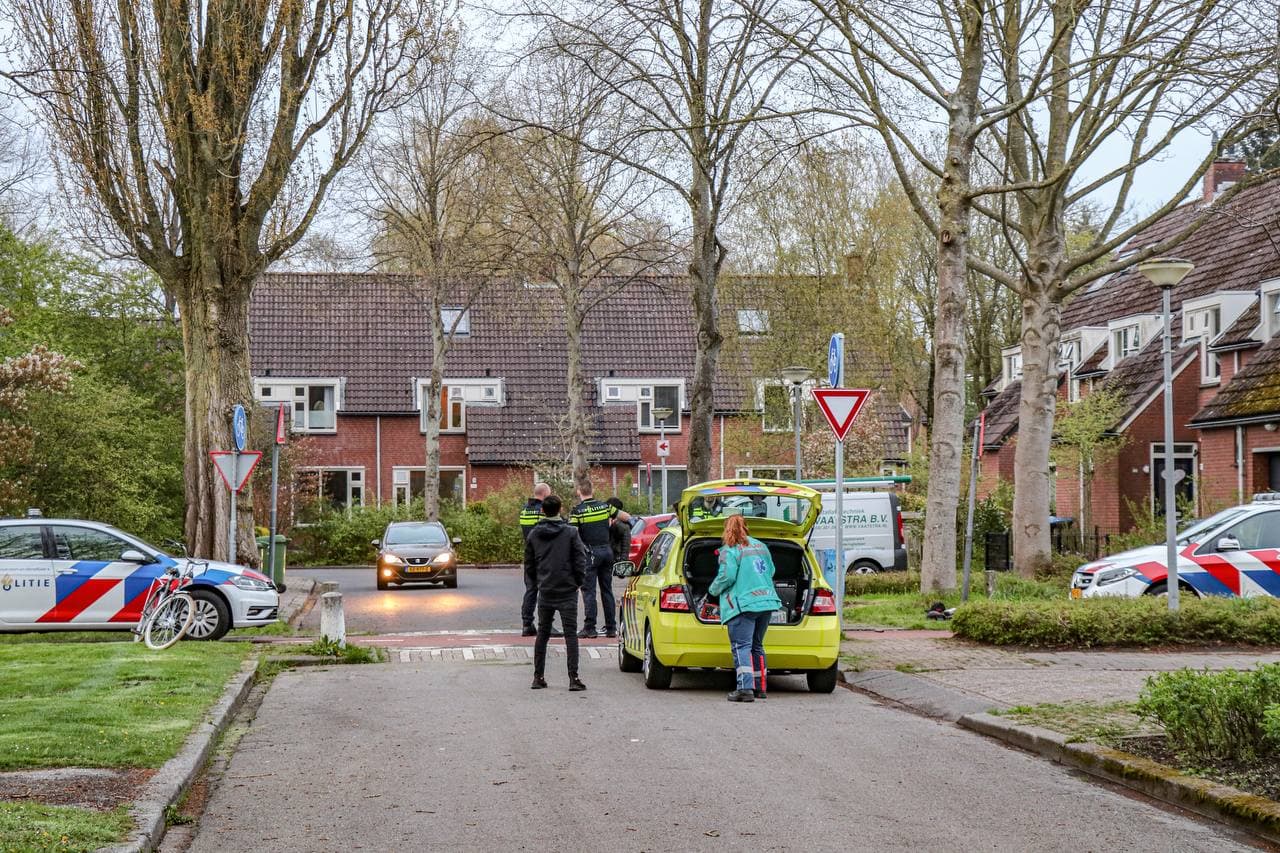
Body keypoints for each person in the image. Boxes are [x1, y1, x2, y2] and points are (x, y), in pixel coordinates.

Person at [709, 514, 781, 703]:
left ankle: (744, 689)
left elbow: (727, 577)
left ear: (726, 529)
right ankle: (760, 687)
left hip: (743, 605)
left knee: (741, 646)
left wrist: (712, 590)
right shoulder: (761, 546)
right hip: (766, 602)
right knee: (757, 645)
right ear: (746, 527)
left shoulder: (729, 550)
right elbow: (771, 571)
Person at [523, 495, 587, 691]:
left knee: (542, 633)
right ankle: (573, 678)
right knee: (570, 634)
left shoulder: (534, 534)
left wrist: (538, 582)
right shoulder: (570, 533)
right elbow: (580, 559)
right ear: (560, 509)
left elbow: (529, 564)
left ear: (543, 510)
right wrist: (578, 582)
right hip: (567, 590)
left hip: (546, 590)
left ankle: (538, 676)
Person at [570, 482, 630, 638]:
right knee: (607, 590)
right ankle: (611, 627)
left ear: (579, 492)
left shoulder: (577, 512)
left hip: (590, 553)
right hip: (607, 552)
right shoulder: (605, 507)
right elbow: (626, 517)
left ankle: (590, 628)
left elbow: (573, 534)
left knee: (589, 591)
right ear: (593, 491)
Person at [519, 482, 553, 637]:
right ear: (545, 494)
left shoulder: (524, 512)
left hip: (529, 556)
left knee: (530, 590)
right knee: (546, 590)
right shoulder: (543, 511)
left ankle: (527, 624)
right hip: (543, 556)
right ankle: (546, 625)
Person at [606, 496, 632, 565]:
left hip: (615, 560)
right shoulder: (610, 522)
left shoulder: (620, 526)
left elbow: (625, 546)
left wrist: (622, 562)